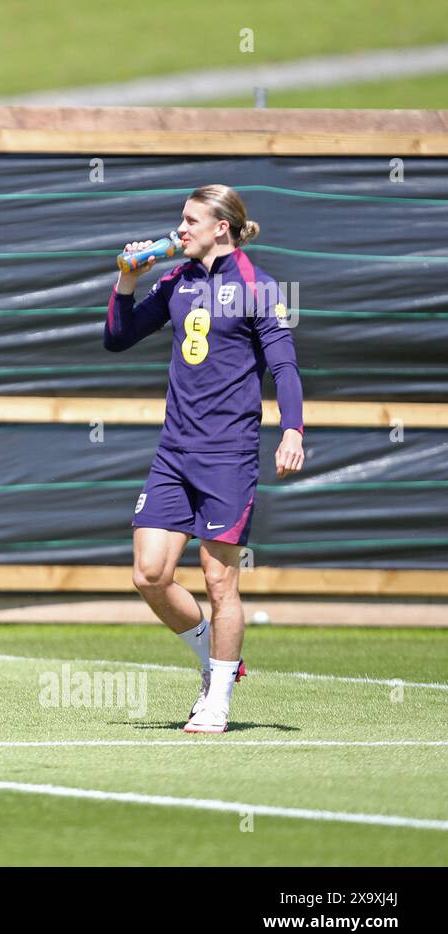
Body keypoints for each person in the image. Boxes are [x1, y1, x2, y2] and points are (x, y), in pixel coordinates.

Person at [105, 184, 305, 733]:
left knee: (220, 584)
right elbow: (118, 339)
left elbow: (283, 367)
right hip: (174, 452)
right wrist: (127, 281)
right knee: (149, 574)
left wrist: (292, 430)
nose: (180, 229)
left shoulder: (257, 287)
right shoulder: (177, 279)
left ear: (222, 227)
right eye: (181, 219)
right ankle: (215, 661)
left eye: (191, 220)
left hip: (229, 455)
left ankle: (217, 697)